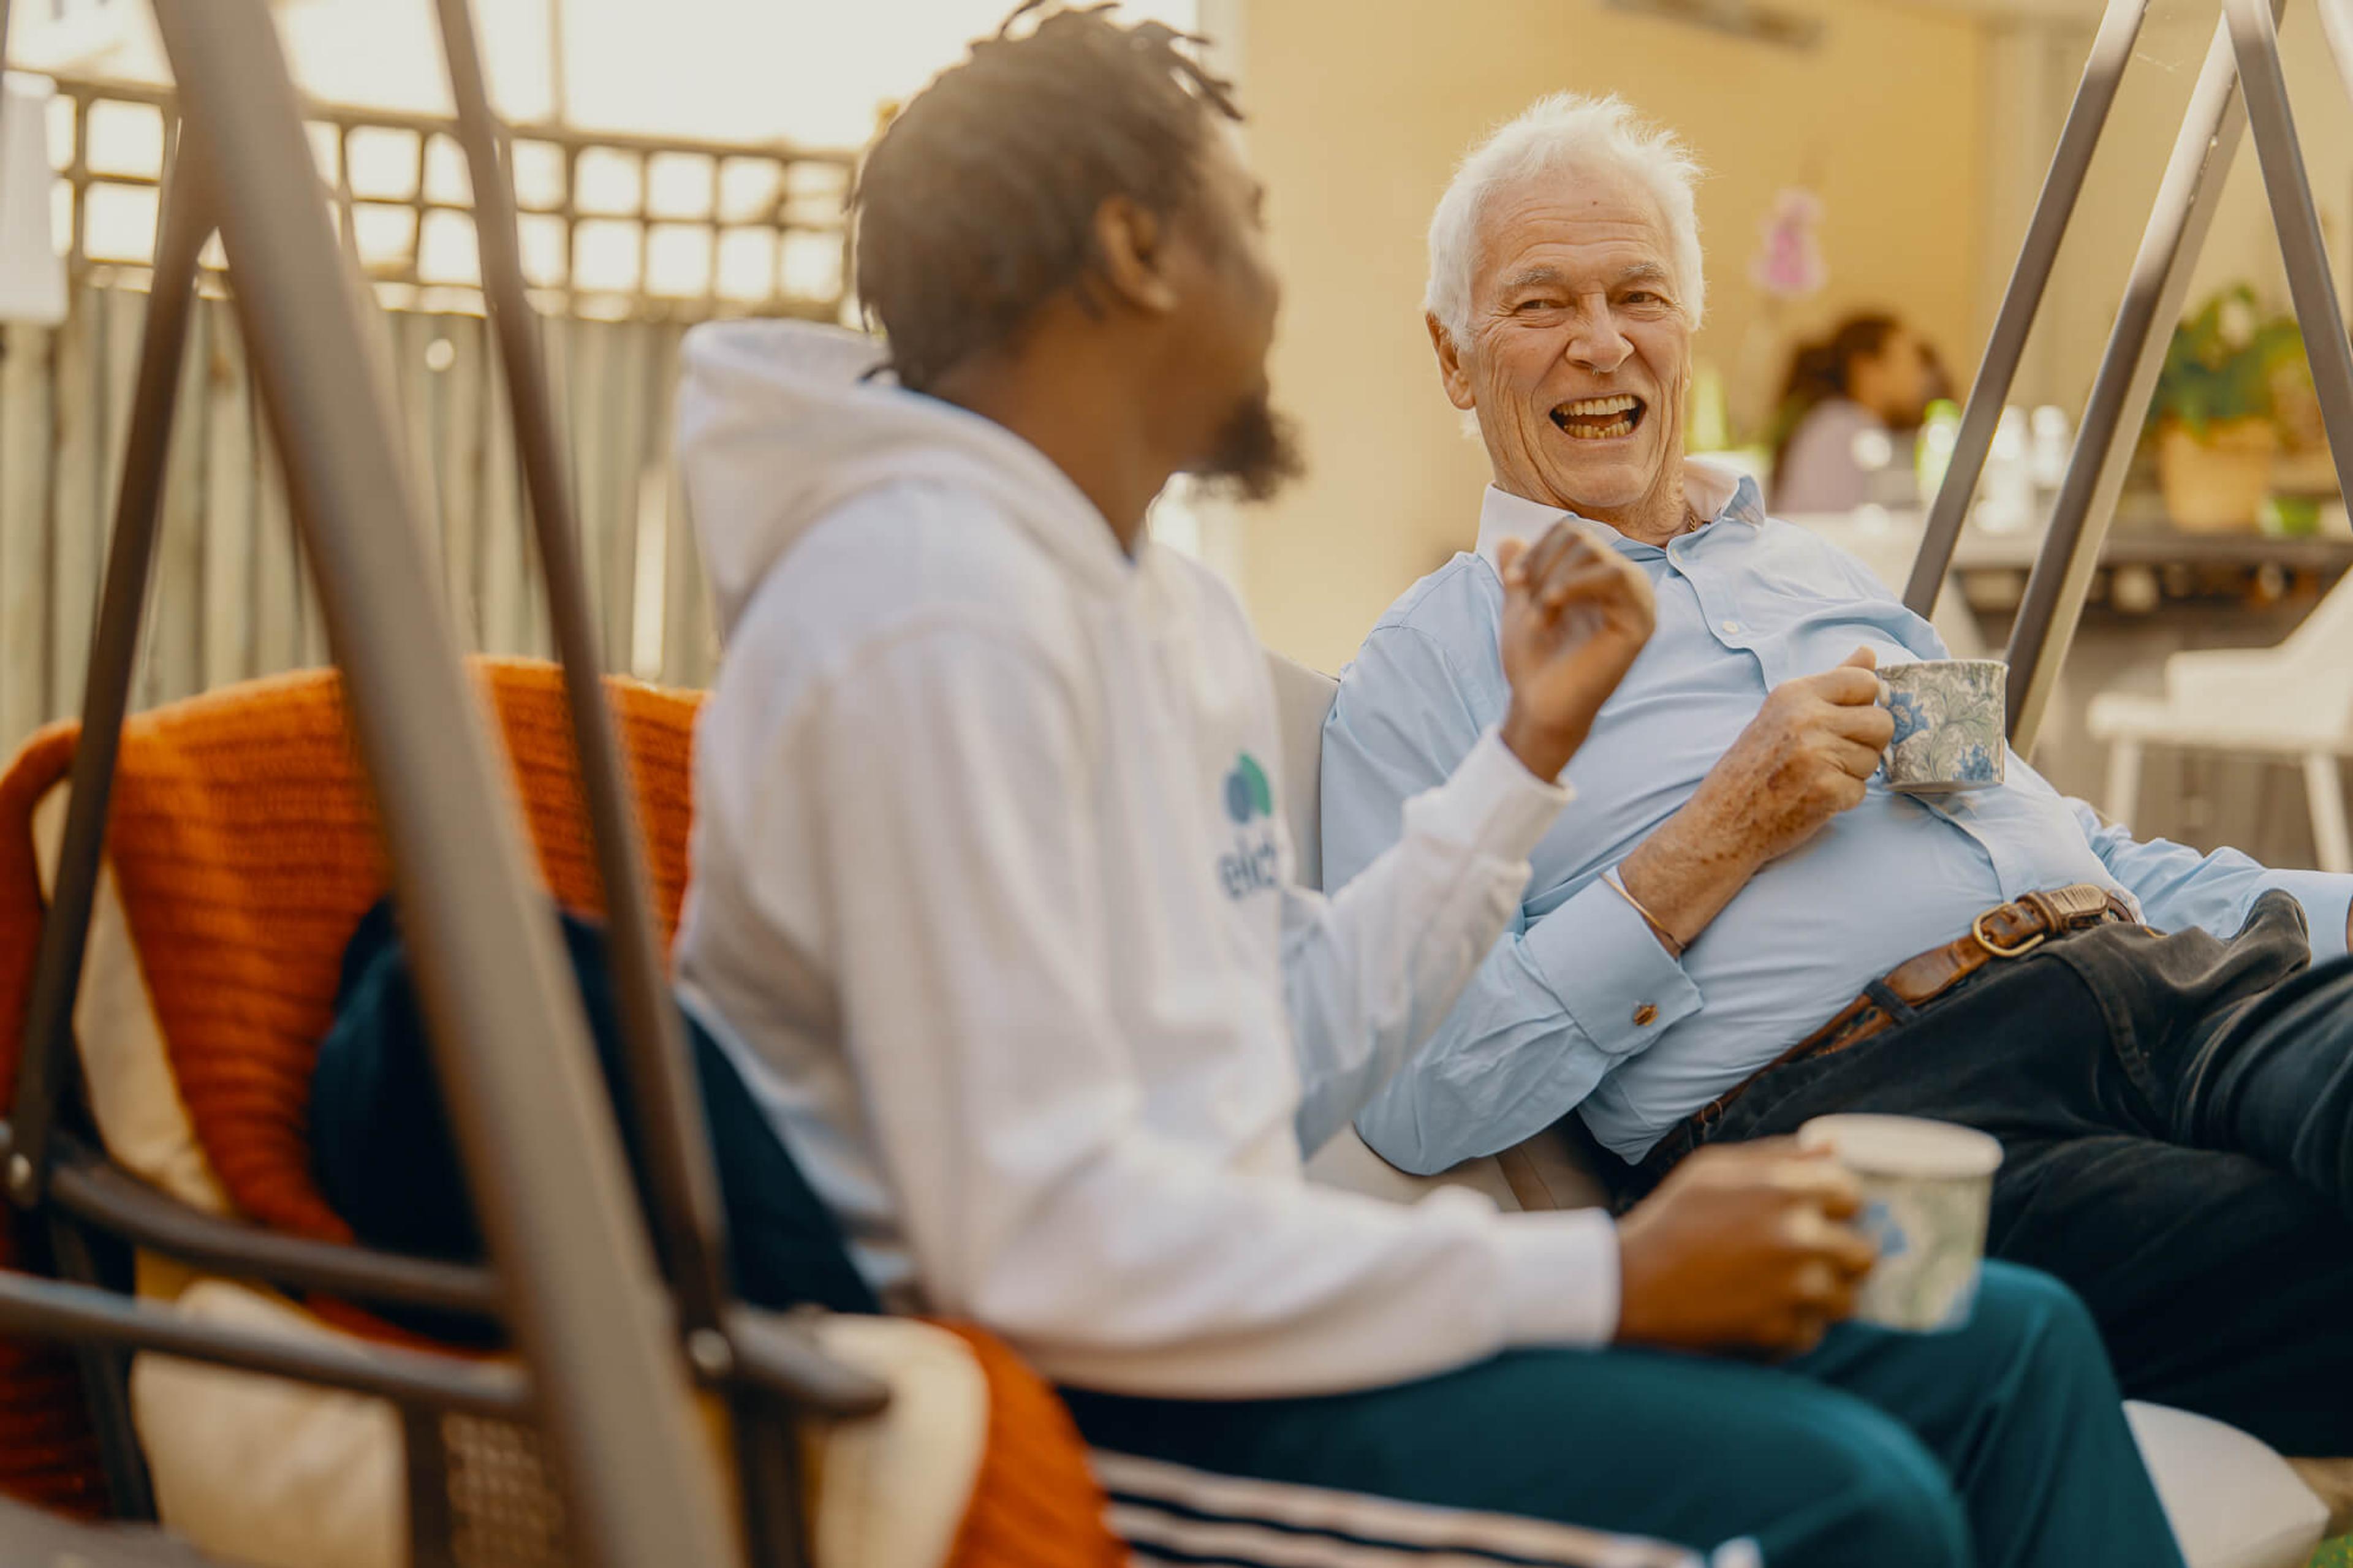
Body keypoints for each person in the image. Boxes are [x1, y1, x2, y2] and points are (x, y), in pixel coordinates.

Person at [669, 12, 2183, 1566]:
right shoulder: (924, 615)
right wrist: (1603, 1279)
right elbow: (1040, 1247)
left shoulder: (1144, 600)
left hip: (1220, 1302)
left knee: (2001, 1345)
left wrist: (1519, 763)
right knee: (1845, 1498)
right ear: (1134, 251)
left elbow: (1277, 1045)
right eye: (1245, 227)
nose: (1275, 289)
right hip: (1066, 1395)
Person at [1320, 90, 2353, 1461]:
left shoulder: (1822, 575)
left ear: (1687, 327)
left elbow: (2068, 836)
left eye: (1640, 293)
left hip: (2156, 977)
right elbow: (1407, 1085)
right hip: (1872, 1115)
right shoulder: (1423, 666)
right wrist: (1715, 837)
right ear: (1454, 359)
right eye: (1540, 303)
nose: (1602, 340)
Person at [1769, 313, 1935, 513]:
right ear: (1866, 369)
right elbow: (1829, 527)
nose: (1922, 377)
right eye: (1911, 361)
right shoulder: (1840, 432)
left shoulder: (1856, 429)